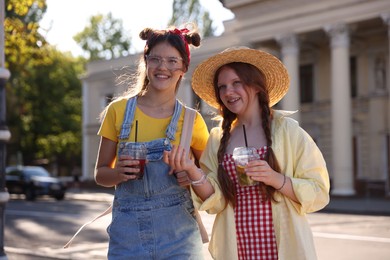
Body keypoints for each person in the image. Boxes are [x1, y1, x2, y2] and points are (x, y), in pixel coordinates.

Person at [164, 47, 330, 260]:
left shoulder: (288, 131)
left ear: (256, 86)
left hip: (284, 248)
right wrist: (191, 170)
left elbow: (319, 192)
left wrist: (276, 179)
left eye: (236, 83)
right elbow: (215, 201)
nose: (227, 92)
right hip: (235, 248)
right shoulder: (217, 139)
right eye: (222, 87)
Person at [94, 24, 209, 259]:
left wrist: (191, 174)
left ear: (183, 68)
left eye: (172, 61)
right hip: (127, 237)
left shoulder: (191, 121)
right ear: (145, 61)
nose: (162, 67)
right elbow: (100, 174)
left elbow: (210, 183)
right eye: (155, 59)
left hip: (180, 239)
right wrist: (118, 174)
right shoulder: (117, 111)